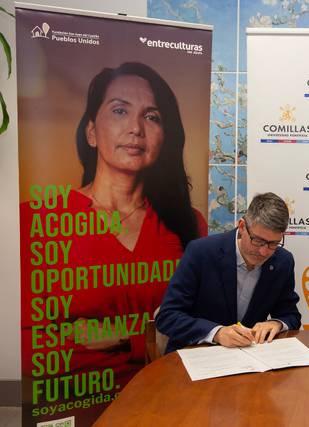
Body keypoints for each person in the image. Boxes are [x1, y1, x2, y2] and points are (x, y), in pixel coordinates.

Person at [20, 62, 207, 385]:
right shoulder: (36, 220)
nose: (136, 128)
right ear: (91, 132)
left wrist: (122, 336)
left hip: (169, 396)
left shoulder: (189, 224)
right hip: (75, 403)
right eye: (120, 111)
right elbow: (25, 345)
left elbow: (201, 329)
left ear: (165, 137)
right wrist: (153, 339)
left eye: (152, 116)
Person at [156, 192, 302, 353]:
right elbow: (167, 316)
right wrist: (216, 333)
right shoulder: (201, 252)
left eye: (273, 243)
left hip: (248, 361)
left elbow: (291, 315)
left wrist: (276, 323)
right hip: (196, 355)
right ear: (241, 227)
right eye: (258, 241)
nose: (263, 251)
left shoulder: (283, 261)